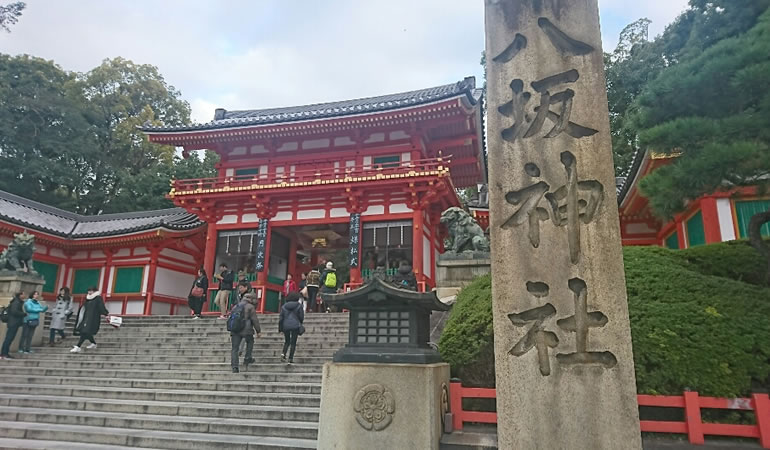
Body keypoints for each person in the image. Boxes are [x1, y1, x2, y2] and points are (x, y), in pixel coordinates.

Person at [70, 287, 109, 354]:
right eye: (88, 291)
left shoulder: (98, 298)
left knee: (85, 331)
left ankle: (78, 346)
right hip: (86, 318)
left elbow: (101, 307)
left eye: (90, 291)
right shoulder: (88, 299)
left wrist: (106, 314)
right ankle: (93, 343)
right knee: (86, 332)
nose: (89, 292)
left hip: (93, 318)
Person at [230, 292, 261, 373]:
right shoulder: (250, 307)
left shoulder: (235, 307)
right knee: (250, 341)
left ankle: (234, 366)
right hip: (246, 329)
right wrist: (258, 331)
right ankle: (247, 357)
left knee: (234, 348)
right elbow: (254, 320)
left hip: (235, 329)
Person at [279, 291, 304, 364]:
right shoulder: (299, 306)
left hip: (286, 325)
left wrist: (280, 328)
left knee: (287, 341)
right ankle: (290, 358)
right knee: (293, 342)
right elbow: (301, 316)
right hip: (295, 325)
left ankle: (283, 354)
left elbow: (281, 318)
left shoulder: (284, 307)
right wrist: (300, 322)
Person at [0, 291, 26, 359]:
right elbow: (14, 312)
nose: (24, 295)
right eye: (23, 294)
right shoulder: (16, 302)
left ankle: (5, 353)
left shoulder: (17, 302)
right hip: (13, 323)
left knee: (9, 338)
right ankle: (4, 354)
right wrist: (24, 314)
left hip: (14, 323)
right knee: (8, 338)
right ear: (20, 295)